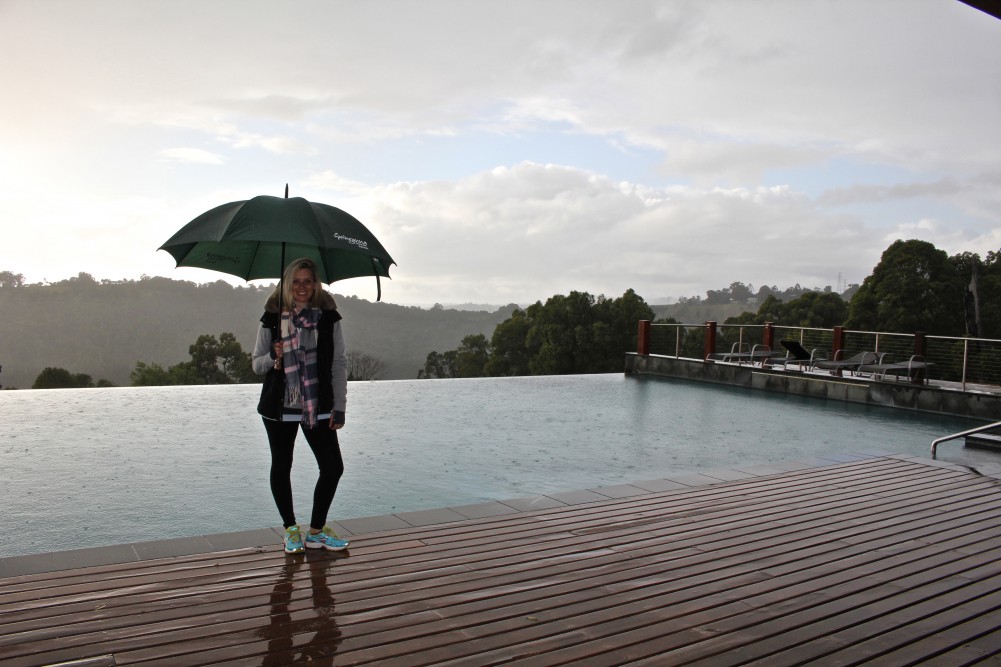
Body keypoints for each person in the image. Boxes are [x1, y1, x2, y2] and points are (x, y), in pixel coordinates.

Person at [253, 258, 350, 554]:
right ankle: (291, 530)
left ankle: (316, 532)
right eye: (295, 281)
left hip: (318, 404)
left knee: (332, 467)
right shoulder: (272, 318)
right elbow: (257, 364)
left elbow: (338, 362)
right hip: (279, 405)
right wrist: (274, 356)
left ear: (315, 284)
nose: (302, 287)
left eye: (307, 281)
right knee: (282, 466)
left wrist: (340, 405)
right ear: (287, 284)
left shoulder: (328, 318)